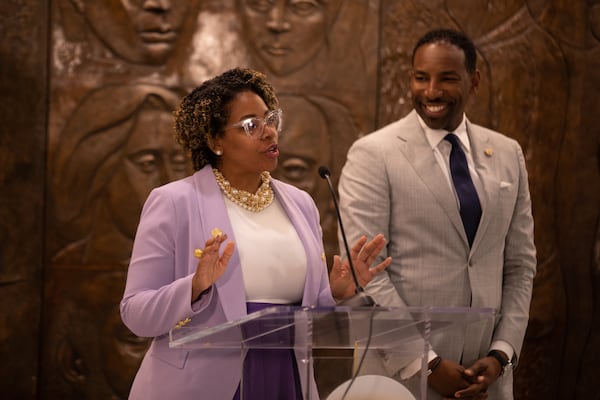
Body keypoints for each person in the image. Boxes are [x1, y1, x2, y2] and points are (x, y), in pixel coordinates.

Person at [120, 67, 392, 400]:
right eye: (252, 125)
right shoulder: (175, 202)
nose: (269, 133)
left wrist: (335, 295)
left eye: (271, 119)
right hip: (203, 386)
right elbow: (136, 313)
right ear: (215, 140)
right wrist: (194, 286)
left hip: (285, 378)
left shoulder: (301, 204)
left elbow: (306, 314)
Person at [337, 29, 536, 400]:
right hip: (399, 378)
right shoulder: (373, 155)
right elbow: (366, 275)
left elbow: (520, 266)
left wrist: (501, 354)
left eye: (447, 78)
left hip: (487, 380)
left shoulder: (508, 154)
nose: (431, 91)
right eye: (420, 77)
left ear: (473, 81)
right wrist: (424, 362)